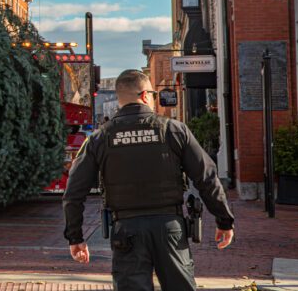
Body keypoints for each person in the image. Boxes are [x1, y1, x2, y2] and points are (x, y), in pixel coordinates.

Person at [62, 69, 235, 291]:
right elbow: (206, 177)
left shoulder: (100, 138)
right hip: (170, 227)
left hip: (126, 230)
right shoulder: (174, 130)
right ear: (145, 95)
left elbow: (73, 193)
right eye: (153, 94)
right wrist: (224, 220)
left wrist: (75, 237)